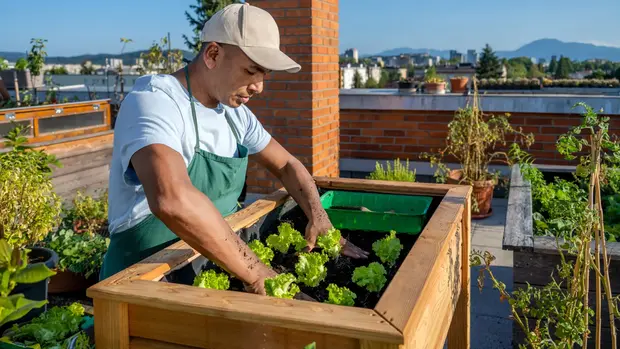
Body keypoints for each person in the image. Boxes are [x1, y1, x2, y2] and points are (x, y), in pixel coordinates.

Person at [101, 3, 369, 294]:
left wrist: (319, 217)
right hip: (146, 278)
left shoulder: (235, 115)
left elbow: (287, 165)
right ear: (213, 54)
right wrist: (256, 272)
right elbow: (172, 199)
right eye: (251, 70)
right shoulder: (155, 102)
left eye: (264, 74)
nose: (259, 87)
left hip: (217, 262)